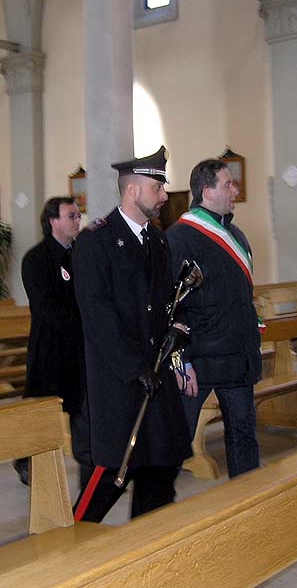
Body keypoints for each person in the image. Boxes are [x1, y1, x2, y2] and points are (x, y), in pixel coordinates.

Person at [72, 146, 192, 522]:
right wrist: (133, 368)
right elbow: (98, 317)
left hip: (156, 378)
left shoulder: (157, 240)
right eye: (157, 188)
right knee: (111, 475)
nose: (164, 196)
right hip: (120, 383)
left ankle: (146, 545)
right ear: (133, 190)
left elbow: (167, 299)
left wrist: (178, 328)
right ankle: (73, 548)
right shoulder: (95, 242)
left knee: (161, 468)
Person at [166, 158, 262, 479]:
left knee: (244, 436)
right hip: (198, 359)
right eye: (228, 184)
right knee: (175, 442)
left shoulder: (236, 234)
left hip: (236, 356)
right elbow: (169, 305)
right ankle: (158, 505)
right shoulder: (179, 238)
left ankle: (249, 499)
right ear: (207, 192)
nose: (235, 190)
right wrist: (180, 361)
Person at [16, 196, 92, 488]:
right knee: (39, 413)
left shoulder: (81, 253)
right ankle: (26, 460)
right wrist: (83, 325)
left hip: (79, 352)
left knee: (82, 412)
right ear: (53, 221)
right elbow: (46, 307)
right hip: (49, 350)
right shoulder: (36, 259)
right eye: (71, 216)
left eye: (78, 215)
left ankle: (88, 468)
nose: (77, 220)